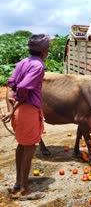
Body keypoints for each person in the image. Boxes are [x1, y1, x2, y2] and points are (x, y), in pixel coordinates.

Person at [1, 34, 49, 201]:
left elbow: (11, 85)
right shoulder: (38, 66)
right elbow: (22, 87)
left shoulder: (22, 62)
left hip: (21, 112)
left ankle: (17, 183)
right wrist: (18, 102)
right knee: (29, 149)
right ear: (44, 51)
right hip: (28, 111)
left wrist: (10, 109)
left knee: (22, 146)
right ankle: (24, 190)